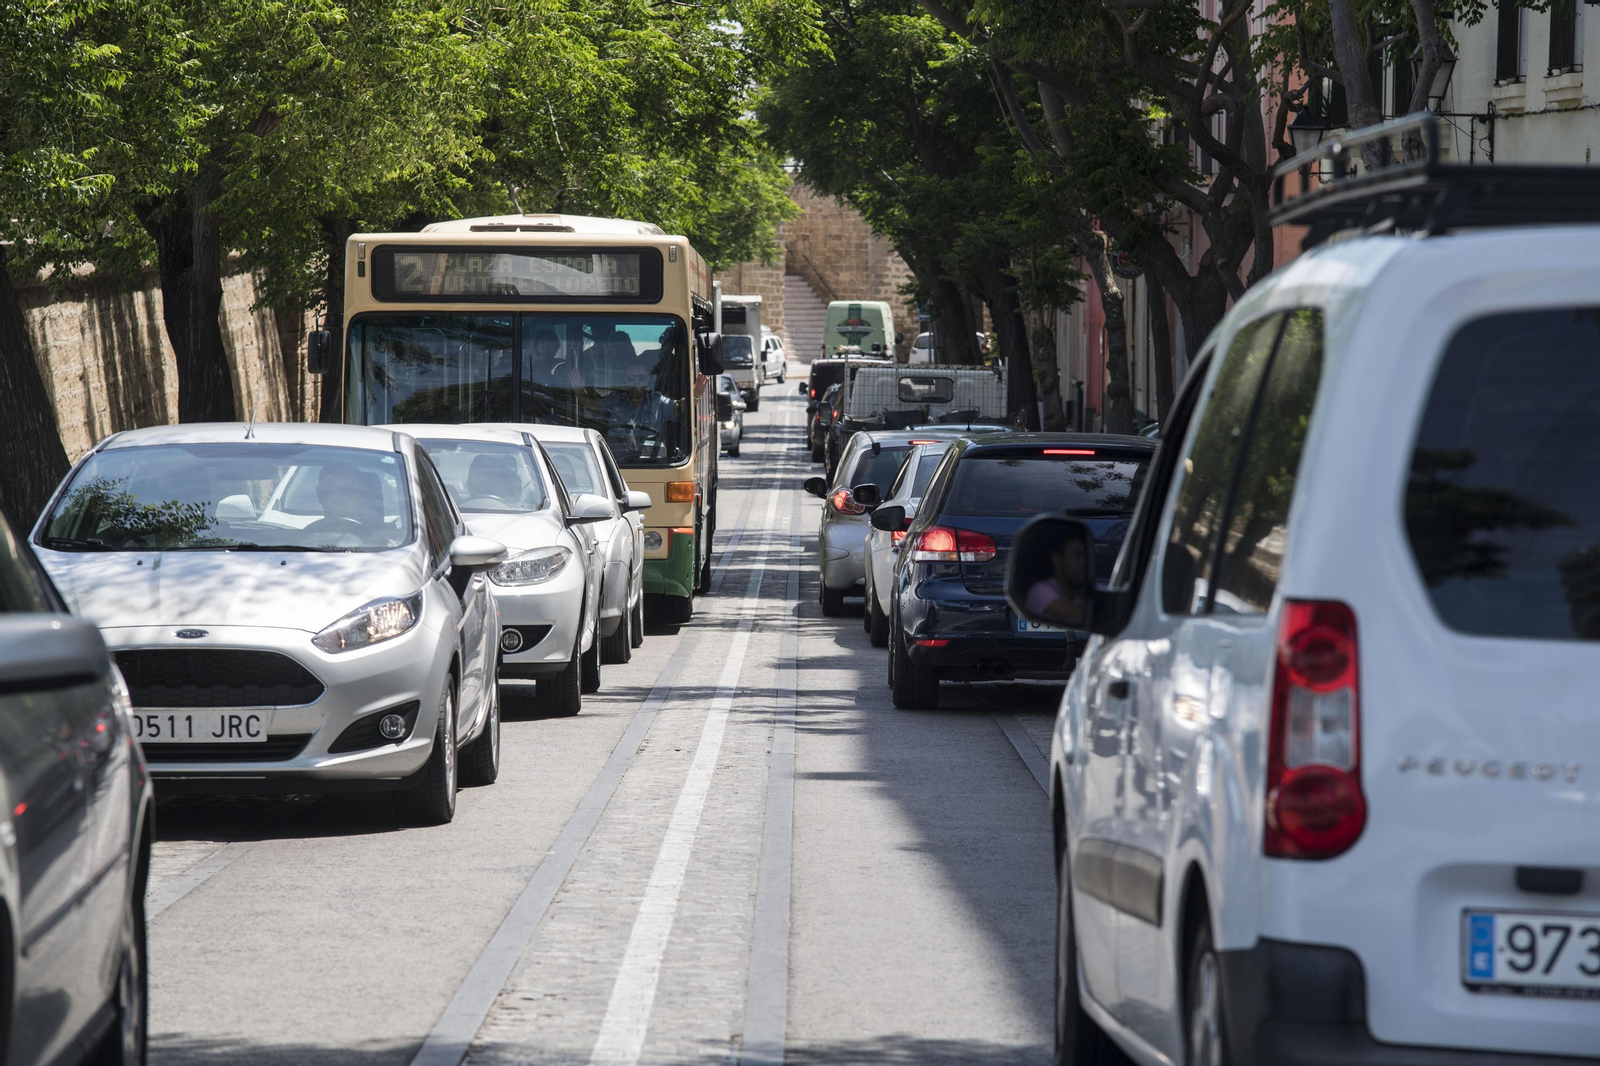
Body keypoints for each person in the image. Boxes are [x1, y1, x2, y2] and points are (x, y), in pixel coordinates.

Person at [1025, 528, 1090, 626]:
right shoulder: (1040, 590)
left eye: (1086, 556)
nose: (1084, 562)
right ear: (1057, 559)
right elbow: (1080, 616)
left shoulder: (1077, 592)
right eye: (1077, 555)